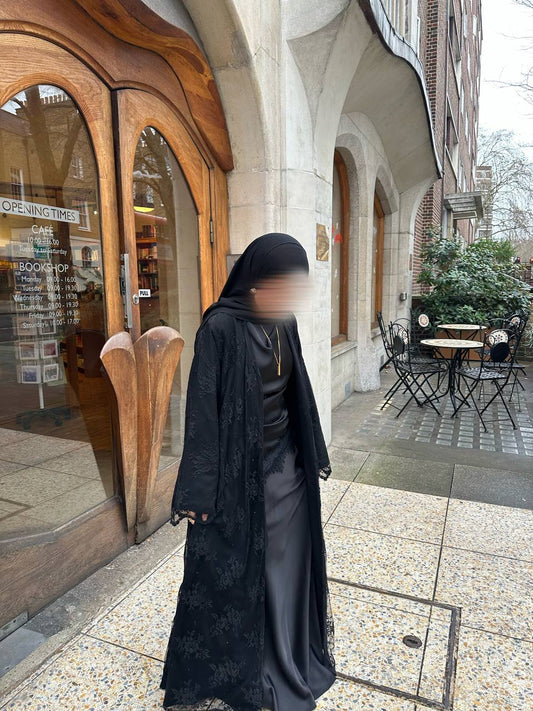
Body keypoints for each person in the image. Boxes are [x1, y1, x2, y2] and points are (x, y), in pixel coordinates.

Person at [160, 233, 336, 711]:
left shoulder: (286, 321)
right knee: (232, 573)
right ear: (254, 281)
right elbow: (202, 415)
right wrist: (199, 494)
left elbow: (299, 390)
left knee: (288, 565)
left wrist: (310, 453)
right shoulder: (219, 328)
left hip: (287, 467)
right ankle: (243, 673)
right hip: (239, 474)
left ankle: (285, 659)